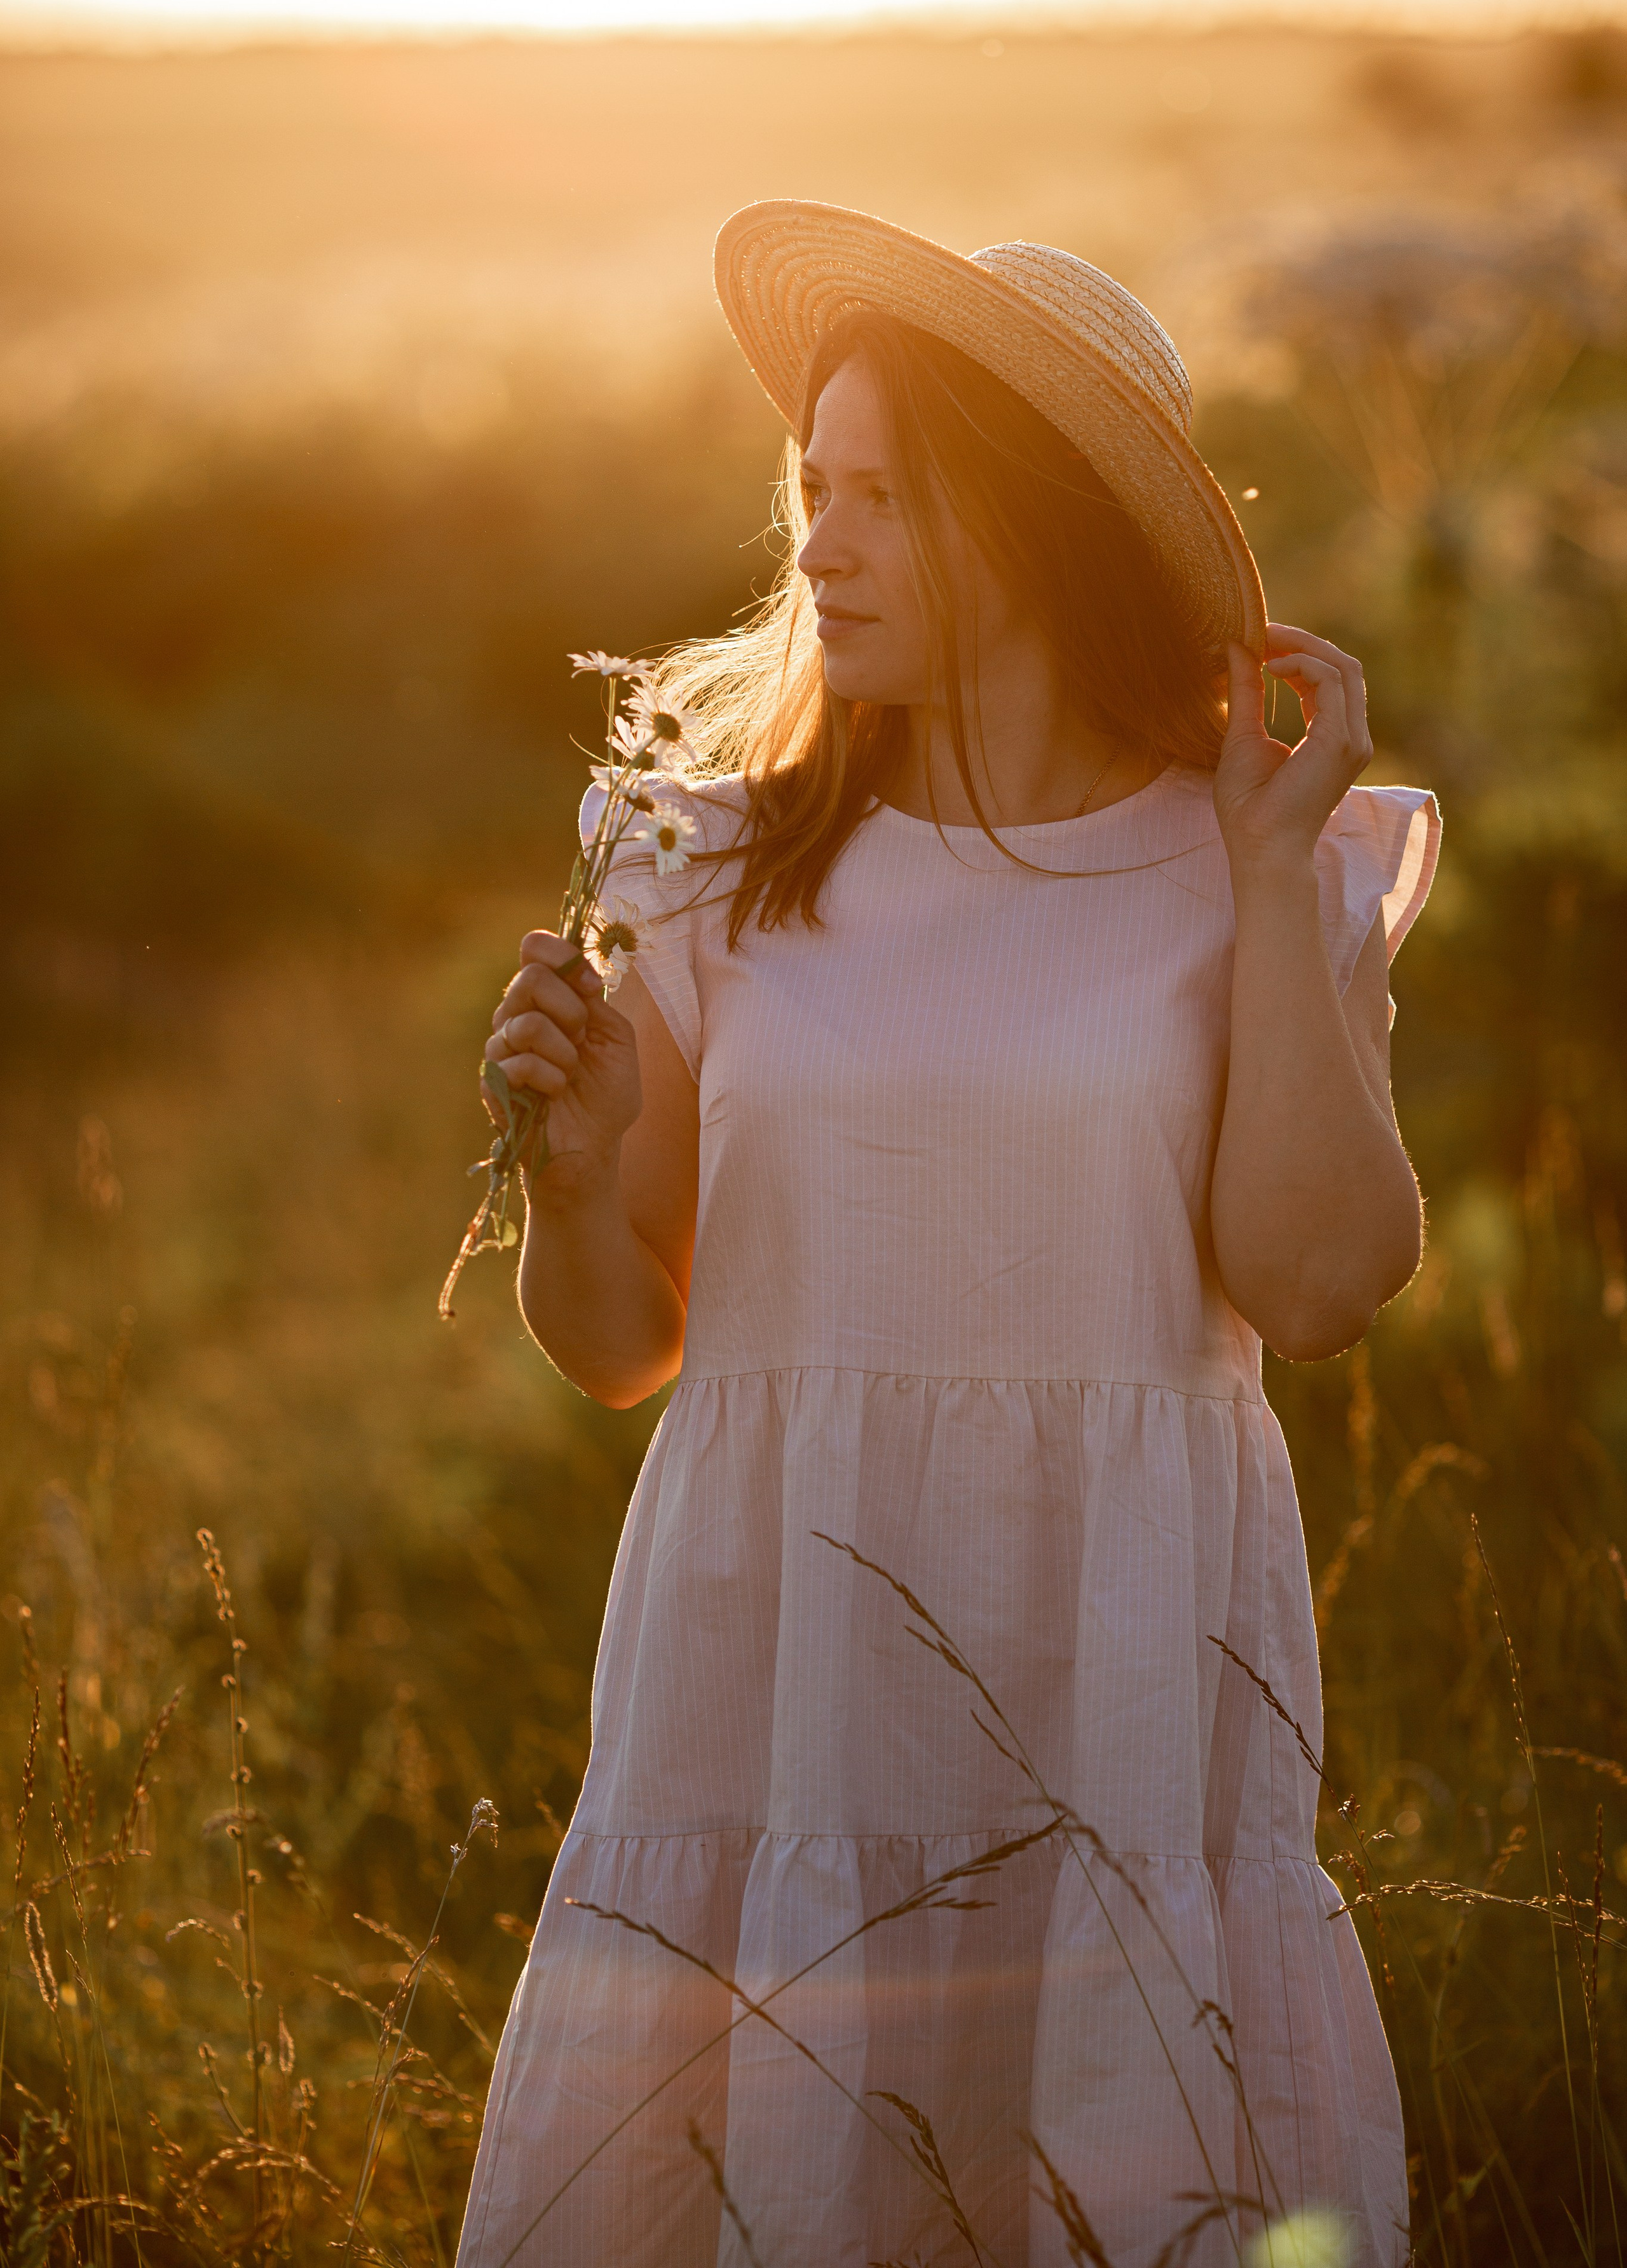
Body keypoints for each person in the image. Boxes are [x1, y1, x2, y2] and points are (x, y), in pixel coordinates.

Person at [455, 202, 1439, 2268]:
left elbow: (1321, 1284)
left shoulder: (1260, 867)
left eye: (891, 498)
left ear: (1046, 526)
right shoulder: (719, 861)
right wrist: (577, 1160)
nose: (825, 545)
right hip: (777, 1688)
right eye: (817, 489)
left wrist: (1269, 882)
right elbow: (621, 1337)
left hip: (1118, 1686)